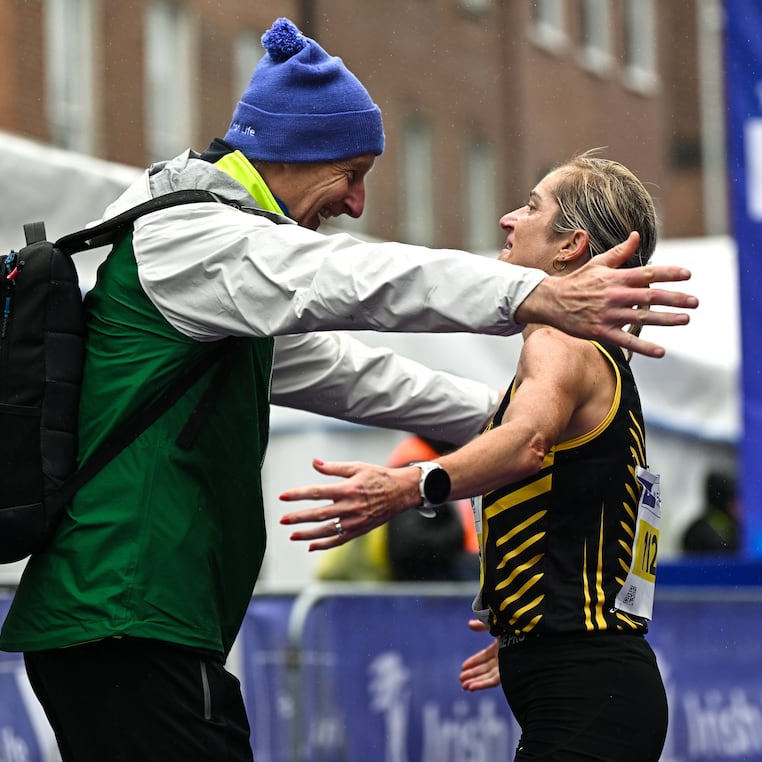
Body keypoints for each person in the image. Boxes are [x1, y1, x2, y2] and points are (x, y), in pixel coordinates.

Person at [0, 16, 693, 760]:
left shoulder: (228, 274)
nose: (357, 204)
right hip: (120, 609)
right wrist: (529, 295)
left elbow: (354, 376)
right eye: (353, 173)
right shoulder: (198, 237)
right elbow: (360, 280)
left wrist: (553, 431)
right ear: (295, 152)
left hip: (139, 619)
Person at [281, 152, 670, 760]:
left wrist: (409, 486)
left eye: (532, 207)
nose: (508, 219)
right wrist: (537, 630)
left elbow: (526, 443)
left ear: (571, 246)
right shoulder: (597, 359)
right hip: (591, 676)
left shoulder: (560, 343)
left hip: (591, 687)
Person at [315, 434, 478, 582]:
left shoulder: (419, 462)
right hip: (418, 584)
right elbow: (407, 543)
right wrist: (457, 536)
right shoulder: (418, 468)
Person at [681, 470, 740, 553]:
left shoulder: (695, 529)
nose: (739, 506)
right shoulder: (699, 533)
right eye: (733, 500)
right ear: (725, 502)